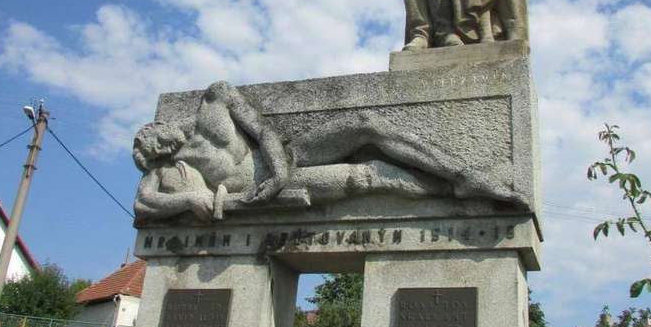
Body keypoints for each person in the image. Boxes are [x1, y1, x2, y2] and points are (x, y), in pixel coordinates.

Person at [133, 82, 526, 223]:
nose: (161, 148)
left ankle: (465, 176)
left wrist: (279, 173)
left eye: (155, 140)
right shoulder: (172, 169)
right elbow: (144, 204)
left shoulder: (216, 98)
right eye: (154, 154)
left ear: (156, 126)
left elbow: (264, 131)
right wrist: (190, 198)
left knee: (366, 123)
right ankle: (454, 193)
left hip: (283, 159)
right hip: (261, 189)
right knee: (367, 175)